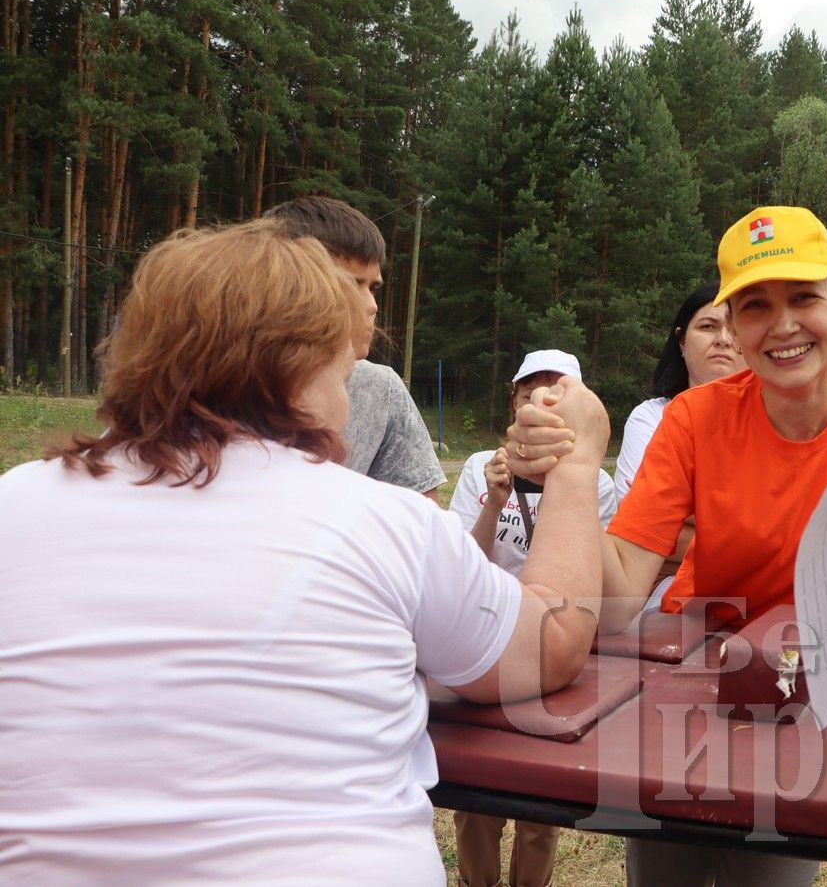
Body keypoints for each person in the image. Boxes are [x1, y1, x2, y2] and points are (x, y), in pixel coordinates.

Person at [0, 220, 607, 884]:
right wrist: (576, 468)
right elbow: (551, 641)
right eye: (344, 375)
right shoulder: (380, 522)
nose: (347, 400)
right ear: (302, 373)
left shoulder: (13, 505)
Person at [506, 205, 827, 886]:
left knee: (767, 871)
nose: (784, 325)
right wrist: (570, 467)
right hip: (691, 678)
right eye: (755, 306)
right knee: (664, 863)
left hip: (817, 688)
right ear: (734, 329)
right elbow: (618, 597)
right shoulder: (691, 419)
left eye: (804, 298)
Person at [447, 348, 618, 887]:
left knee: (542, 799)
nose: (540, 395)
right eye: (529, 387)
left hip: (559, 650)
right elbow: (461, 565)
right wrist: (494, 503)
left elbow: (600, 586)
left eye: (556, 387)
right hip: (489, 639)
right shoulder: (480, 466)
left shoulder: (600, 484)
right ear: (514, 399)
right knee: (476, 796)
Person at [264, 196, 445, 501]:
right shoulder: (223, 383)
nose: (372, 305)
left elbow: (422, 529)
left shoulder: (380, 390)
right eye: (350, 284)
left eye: (373, 287)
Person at [613, 281, 746, 610]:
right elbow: (642, 536)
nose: (723, 339)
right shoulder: (650, 419)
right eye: (707, 326)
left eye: (736, 328)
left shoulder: (778, 417)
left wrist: (689, 512)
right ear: (681, 340)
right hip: (665, 584)